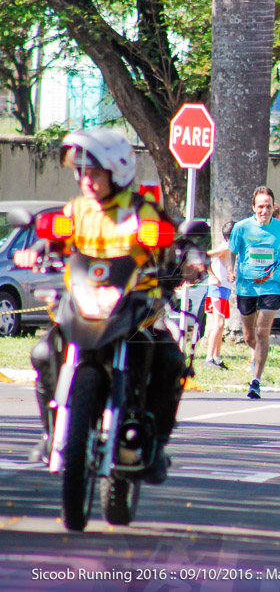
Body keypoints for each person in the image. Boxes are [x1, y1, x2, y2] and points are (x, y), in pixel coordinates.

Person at [15, 128, 186, 483]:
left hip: (134, 310)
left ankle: (154, 444)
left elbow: (168, 242)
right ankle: (51, 434)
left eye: (94, 172)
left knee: (170, 360)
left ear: (117, 170)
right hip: (83, 306)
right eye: (80, 172)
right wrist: (36, 250)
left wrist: (187, 256)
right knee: (44, 352)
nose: (85, 180)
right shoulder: (75, 210)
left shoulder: (141, 211)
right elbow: (54, 239)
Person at [228, 186, 280, 400]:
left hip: (271, 286)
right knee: (249, 336)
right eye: (260, 207)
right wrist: (230, 270)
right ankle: (257, 356)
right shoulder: (241, 227)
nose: (264, 210)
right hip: (247, 286)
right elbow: (232, 253)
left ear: (274, 207)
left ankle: (255, 381)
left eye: (268, 206)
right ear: (253, 207)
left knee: (262, 333)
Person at [202, 221, 235, 370]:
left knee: (221, 326)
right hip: (217, 289)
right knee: (219, 324)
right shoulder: (226, 246)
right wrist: (213, 276)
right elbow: (204, 256)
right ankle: (209, 358)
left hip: (224, 290)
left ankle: (216, 357)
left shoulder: (232, 248)